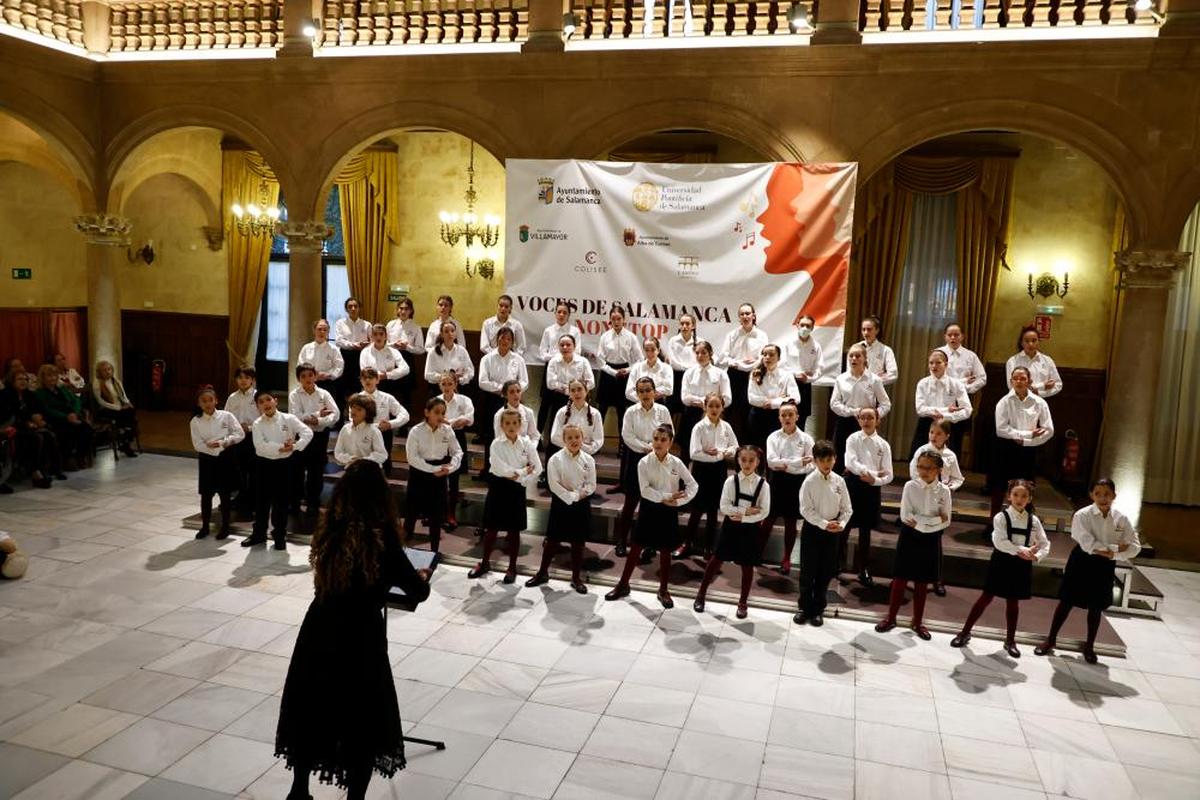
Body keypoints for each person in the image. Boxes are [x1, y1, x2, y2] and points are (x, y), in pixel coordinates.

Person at [276, 459, 432, 800]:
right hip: (360, 636)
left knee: (313, 705)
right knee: (361, 718)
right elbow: (417, 591)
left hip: (319, 627)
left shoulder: (330, 524)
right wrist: (420, 578)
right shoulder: (382, 535)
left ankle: (298, 791)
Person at [1035, 478, 1139, 663]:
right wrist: (1115, 549)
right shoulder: (1082, 515)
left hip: (1105, 564)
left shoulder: (1121, 518)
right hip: (1082, 561)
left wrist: (1114, 554)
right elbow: (1085, 541)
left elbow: (1134, 546)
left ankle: (1089, 646)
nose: (1102, 498)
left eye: (1107, 494)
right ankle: (1050, 640)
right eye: (1098, 493)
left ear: (1114, 495)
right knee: (1066, 601)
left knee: (1096, 607)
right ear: (1091, 495)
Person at [605, 424, 699, 609]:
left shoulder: (676, 463)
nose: (658, 443)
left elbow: (692, 485)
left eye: (663, 440)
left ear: (670, 443)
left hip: (668, 511)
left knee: (665, 551)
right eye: (656, 439)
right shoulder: (644, 462)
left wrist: (679, 502)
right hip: (649, 508)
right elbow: (645, 491)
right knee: (636, 548)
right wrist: (666, 497)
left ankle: (663, 590)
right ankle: (623, 584)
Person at [952, 479, 1048, 657]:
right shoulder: (1000, 517)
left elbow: (1044, 543)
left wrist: (1037, 556)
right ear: (1009, 496)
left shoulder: (1033, 520)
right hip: (1002, 562)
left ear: (1030, 498)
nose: (1020, 499)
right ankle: (964, 632)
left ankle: (1010, 640)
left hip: (1021, 565)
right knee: (985, 597)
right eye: (1016, 495)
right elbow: (999, 542)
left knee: (1013, 602)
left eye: (1024, 496)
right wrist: (1023, 550)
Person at [874, 451, 951, 640]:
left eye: (928, 468)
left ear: (939, 470)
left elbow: (947, 520)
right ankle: (891, 618)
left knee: (922, 583)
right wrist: (932, 521)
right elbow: (906, 516)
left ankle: (917, 622)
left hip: (931, 539)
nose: (923, 471)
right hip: (909, 537)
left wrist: (924, 524)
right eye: (920, 467)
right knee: (900, 579)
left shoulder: (944, 491)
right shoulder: (910, 486)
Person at [693, 445, 770, 619]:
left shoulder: (763, 485)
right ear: (738, 460)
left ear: (758, 462)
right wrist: (746, 511)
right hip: (730, 527)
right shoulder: (730, 481)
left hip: (750, 529)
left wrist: (742, 516)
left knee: (747, 566)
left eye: (751, 460)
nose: (747, 464)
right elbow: (724, 507)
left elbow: (764, 511)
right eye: (743, 460)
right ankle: (701, 595)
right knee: (715, 561)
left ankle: (743, 603)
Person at [470, 408, 542, 583]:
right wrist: (523, 471)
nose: (511, 426)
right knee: (492, 529)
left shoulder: (527, 444)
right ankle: (485, 562)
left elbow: (538, 468)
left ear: (520, 425)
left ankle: (512, 567)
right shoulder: (496, 444)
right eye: (507, 423)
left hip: (517, 489)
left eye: (515, 423)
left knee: (513, 530)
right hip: (498, 487)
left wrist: (521, 478)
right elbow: (500, 469)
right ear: (501, 425)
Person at [528, 423, 596, 593]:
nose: (574, 440)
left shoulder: (589, 460)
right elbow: (554, 484)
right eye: (570, 437)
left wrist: (580, 495)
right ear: (564, 440)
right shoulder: (555, 459)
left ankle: (576, 577)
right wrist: (571, 497)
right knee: (552, 540)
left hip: (581, 504)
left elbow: (591, 484)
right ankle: (542, 572)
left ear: (582, 439)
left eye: (577, 437)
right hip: (561, 503)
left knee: (578, 542)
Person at [794, 440, 852, 626]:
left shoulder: (839, 481)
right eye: (822, 460)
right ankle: (804, 607)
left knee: (825, 571)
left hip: (832, 531)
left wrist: (841, 523)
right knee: (808, 570)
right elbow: (805, 510)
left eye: (830, 459)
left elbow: (847, 509)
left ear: (835, 459)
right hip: (813, 529)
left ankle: (818, 609)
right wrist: (823, 523)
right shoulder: (809, 481)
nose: (826, 463)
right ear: (815, 461)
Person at [613, 378, 673, 557]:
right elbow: (627, 436)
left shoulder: (663, 411)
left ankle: (649, 544)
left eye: (648, 390)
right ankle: (622, 541)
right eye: (641, 391)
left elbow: (670, 433)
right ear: (637, 393)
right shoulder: (631, 412)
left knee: (653, 504)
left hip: (658, 459)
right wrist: (647, 447)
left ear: (654, 391)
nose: (645, 394)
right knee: (630, 502)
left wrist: (657, 448)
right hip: (636, 459)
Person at [249, 390, 313, 550]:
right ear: (258, 406)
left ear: (275, 401)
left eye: (268, 399)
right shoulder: (257, 424)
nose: (266, 404)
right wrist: (281, 447)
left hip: (284, 466)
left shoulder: (289, 418)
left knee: (281, 502)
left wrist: (295, 446)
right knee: (261, 502)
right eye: (261, 402)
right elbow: (260, 447)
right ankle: (259, 534)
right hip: (264, 466)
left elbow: (308, 432)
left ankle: (279, 536)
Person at [679, 392, 738, 560]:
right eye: (710, 406)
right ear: (705, 407)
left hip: (719, 471)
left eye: (717, 406)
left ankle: (709, 547)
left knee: (713, 511)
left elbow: (735, 447)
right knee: (697, 510)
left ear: (722, 408)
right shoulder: (699, 427)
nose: (714, 409)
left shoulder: (726, 427)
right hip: (701, 470)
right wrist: (717, 455)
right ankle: (687, 544)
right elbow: (694, 453)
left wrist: (726, 452)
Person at [990, 366, 1054, 517]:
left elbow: (1049, 430)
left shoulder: (1040, 403)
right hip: (1005, 447)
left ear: (1030, 381)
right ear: (1011, 381)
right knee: (999, 485)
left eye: (1023, 378)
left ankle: (1023, 521)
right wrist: (1026, 434)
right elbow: (1001, 429)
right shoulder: (1004, 402)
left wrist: (1026, 442)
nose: (1018, 381)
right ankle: (993, 522)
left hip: (1030, 449)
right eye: (1015, 378)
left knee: (1026, 486)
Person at [841, 407, 893, 587]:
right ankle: (836, 565)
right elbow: (850, 462)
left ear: (878, 420)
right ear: (858, 420)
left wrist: (874, 480)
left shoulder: (883, 445)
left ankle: (863, 569)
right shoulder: (853, 439)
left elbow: (889, 474)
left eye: (870, 417)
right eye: (862, 417)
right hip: (853, 485)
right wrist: (871, 472)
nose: (866, 421)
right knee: (844, 526)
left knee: (866, 531)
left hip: (871, 488)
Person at [403, 397, 463, 554]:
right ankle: (402, 551)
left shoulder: (447, 430)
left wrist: (450, 468)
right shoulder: (416, 431)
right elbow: (412, 458)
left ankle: (434, 553)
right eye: (437, 412)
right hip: (419, 475)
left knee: (436, 518)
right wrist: (433, 469)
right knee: (411, 516)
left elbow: (458, 452)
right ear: (427, 412)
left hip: (439, 477)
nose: (440, 416)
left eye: (443, 413)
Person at [911, 418, 964, 597]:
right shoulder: (922, 451)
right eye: (932, 432)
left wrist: (948, 488)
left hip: (939, 501)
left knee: (935, 542)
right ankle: (914, 576)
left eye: (939, 433)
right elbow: (913, 473)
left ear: (947, 436)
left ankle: (936, 579)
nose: (934, 436)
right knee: (918, 538)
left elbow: (958, 478)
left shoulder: (950, 456)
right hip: (921, 498)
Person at [763, 401, 814, 575]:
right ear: (779, 417)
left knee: (791, 522)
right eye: (783, 415)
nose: (787, 418)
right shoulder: (773, 437)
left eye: (790, 414)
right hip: (776, 481)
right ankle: (755, 553)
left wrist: (786, 465)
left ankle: (786, 558)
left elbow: (811, 465)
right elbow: (771, 462)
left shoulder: (806, 439)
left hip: (796, 483)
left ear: (797, 417)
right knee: (768, 518)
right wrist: (797, 463)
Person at [595, 306, 641, 488]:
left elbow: (638, 359)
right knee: (601, 411)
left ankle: (623, 448)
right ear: (610, 320)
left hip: (625, 373)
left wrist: (627, 370)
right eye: (613, 318)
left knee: (624, 413)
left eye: (619, 318)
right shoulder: (605, 337)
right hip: (608, 374)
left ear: (624, 319)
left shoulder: (631, 337)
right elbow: (599, 359)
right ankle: (596, 445)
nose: (616, 321)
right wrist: (612, 372)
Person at [190, 387, 244, 540]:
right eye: (204, 401)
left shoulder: (226, 416)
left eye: (210, 400)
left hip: (225, 458)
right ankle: (205, 526)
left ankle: (225, 526)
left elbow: (239, 434)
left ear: (216, 401)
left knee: (225, 495)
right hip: (207, 460)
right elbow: (197, 444)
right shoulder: (196, 421)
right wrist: (211, 449)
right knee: (206, 495)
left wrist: (223, 443)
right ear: (199, 404)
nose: (207, 404)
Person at [829, 343, 890, 473]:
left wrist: (872, 416)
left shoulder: (874, 380)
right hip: (845, 421)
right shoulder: (841, 379)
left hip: (866, 424)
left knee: (865, 458)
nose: (854, 359)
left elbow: (886, 404)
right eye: (851, 356)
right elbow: (834, 403)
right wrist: (853, 412)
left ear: (865, 358)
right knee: (840, 456)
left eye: (857, 356)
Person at [289, 363, 340, 516]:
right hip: (301, 436)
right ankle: (295, 503)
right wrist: (318, 414)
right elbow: (295, 417)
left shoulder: (324, 394)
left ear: (315, 376)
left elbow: (335, 414)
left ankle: (313, 503)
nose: (307, 379)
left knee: (316, 472)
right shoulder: (294, 395)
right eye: (303, 376)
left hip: (319, 437)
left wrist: (318, 422)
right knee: (297, 472)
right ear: (299, 379)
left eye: (310, 375)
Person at [478, 327, 530, 477]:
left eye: (508, 339)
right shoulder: (487, 358)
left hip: (513, 401)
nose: (505, 341)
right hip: (492, 399)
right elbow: (482, 381)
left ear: (512, 342)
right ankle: (490, 468)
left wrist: (513, 392)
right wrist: (502, 389)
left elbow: (524, 381)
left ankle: (511, 467)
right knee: (491, 434)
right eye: (502, 337)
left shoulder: (518, 360)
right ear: (497, 339)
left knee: (512, 434)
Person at [0, 369, 61, 489]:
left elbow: (41, 410)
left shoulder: (29, 394)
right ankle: (35, 473)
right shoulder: (5, 394)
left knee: (47, 435)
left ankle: (50, 470)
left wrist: (40, 419)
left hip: (28, 425)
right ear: (12, 381)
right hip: (9, 426)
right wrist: (28, 421)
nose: (23, 381)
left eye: (25, 379)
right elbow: (8, 415)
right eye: (20, 379)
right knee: (33, 438)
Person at [717, 303, 769, 437]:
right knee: (729, 410)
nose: (745, 316)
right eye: (742, 314)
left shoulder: (762, 335)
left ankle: (746, 445)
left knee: (749, 411)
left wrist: (749, 365)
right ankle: (727, 442)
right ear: (739, 317)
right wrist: (738, 363)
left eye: (747, 313)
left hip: (753, 375)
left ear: (753, 316)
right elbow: (723, 357)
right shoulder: (732, 335)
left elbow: (763, 358)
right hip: (734, 375)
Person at [679, 340, 731, 467]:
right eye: (697, 353)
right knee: (686, 450)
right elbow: (685, 398)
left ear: (711, 353)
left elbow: (727, 398)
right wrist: (703, 401)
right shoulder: (688, 373)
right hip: (692, 413)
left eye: (704, 353)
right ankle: (683, 483)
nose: (700, 356)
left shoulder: (720, 374)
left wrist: (709, 404)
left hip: (714, 415)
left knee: (712, 448)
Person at [911, 349, 971, 458]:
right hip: (927, 424)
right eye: (931, 363)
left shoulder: (956, 384)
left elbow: (967, 410)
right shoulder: (923, 383)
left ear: (946, 364)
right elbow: (920, 409)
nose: (934, 366)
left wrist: (947, 416)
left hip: (949, 425)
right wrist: (946, 410)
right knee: (920, 461)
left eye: (938, 362)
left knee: (947, 463)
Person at [938, 322, 986, 454]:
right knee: (939, 435)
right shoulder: (939, 354)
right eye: (950, 335)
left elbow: (982, 378)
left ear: (962, 337)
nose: (953, 338)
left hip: (962, 401)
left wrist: (966, 389)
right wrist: (963, 383)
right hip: (941, 400)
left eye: (956, 335)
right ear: (945, 337)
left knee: (957, 438)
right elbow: (937, 379)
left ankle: (953, 471)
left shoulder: (970, 356)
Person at [35, 364, 93, 470]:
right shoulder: (40, 393)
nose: (53, 378)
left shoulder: (62, 389)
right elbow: (47, 410)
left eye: (55, 375)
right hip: (56, 419)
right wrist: (66, 417)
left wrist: (74, 413)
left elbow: (76, 400)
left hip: (72, 416)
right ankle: (68, 457)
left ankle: (80, 456)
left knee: (87, 429)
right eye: (49, 376)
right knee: (67, 429)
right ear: (43, 378)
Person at [437, 372, 474, 532]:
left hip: (457, 438)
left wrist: (450, 422)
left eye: (449, 384)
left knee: (454, 479)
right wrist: (453, 422)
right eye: (443, 384)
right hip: (438, 438)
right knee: (438, 477)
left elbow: (469, 418)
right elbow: (433, 418)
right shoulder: (436, 401)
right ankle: (438, 513)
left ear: (455, 384)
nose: (446, 387)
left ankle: (451, 514)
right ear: (439, 385)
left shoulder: (464, 400)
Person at [544, 333, 595, 443]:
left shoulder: (583, 361)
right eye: (562, 345)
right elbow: (550, 383)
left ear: (574, 346)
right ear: (558, 347)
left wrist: (569, 389)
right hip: (559, 399)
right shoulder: (554, 361)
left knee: (579, 428)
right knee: (557, 429)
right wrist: (573, 389)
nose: (565, 347)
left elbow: (591, 382)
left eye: (568, 344)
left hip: (579, 400)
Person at [536, 301, 577, 437]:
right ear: (555, 313)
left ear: (568, 315)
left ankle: (560, 437)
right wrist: (557, 357)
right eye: (559, 312)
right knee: (545, 405)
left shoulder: (574, 331)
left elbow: (578, 351)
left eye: (564, 312)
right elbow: (542, 352)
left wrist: (565, 356)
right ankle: (537, 438)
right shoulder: (549, 330)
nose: (561, 315)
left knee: (563, 406)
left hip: (568, 368)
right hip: (551, 367)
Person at [747, 344, 799, 449]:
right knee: (758, 449)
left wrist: (774, 403)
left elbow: (795, 398)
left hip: (778, 416)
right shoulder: (755, 374)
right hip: (758, 416)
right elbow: (752, 398)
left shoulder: (786, 375)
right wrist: (783, 398)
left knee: (777, 447)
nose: (767, 357)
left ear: (778, 358)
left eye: (771, 355)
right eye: (765, 354)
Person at [357, 367, 407, 474]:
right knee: (364, 464)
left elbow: (405, 415)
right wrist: (374, 426)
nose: (367, 381)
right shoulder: (357, 399)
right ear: (361, 380)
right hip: (363, 434)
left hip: (383, 434)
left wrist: (390, 424)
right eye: (364, 378)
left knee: (384, 464)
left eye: (370, 378)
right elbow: (353, 419)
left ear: (377, 380)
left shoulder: (387, 398)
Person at [226, 365, 259, 514]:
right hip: (237, 438)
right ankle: (240, 496)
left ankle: (252, 499)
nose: (243, 380)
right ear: (236, 380)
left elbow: (263, 419)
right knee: (238, 468)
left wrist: (250, 427)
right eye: (240, 377)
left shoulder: (258, 397)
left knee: (252, 469)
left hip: (253, 437)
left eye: (247, 377)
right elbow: (225, 418)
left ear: (252, 380)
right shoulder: (232, 397)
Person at [783, 315, 824, 433]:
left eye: (808, 326)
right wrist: (796, 374)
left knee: (802, 419)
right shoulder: (788, 343)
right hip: (789, 385)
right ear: (797, 325)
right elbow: (782, 365)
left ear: (812, 328)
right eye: (802, 325)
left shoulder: (816, 346)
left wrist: (809, 378)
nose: (805, 328)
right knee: (786, 416)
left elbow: (820, 368)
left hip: (805, 385)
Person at [385, 297, 424, 416]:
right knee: (390, 392)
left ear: (411, 311)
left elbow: (421, 349)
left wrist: (407, 347)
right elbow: (383, 343)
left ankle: (404, 424)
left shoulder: (416, 327)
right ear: (397, 310)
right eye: (401, 308)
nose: (403, 311)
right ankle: (389, 419)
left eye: (406, 309)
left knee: (406, 393)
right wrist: (394, 344)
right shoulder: (390, 325)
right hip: (391, 359)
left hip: (407, 359)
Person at [92, 359, 139, 457]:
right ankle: (126, 439)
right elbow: (101, 401)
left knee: (131, 411)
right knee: (128, 418)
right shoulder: (97, 383)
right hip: (105, 409)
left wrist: (127, 403)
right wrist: (118, 408)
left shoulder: (116, 381)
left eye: (109, 369)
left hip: (119, 408)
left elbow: (123, 396)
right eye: (104, 370)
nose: (108, 372)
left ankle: (124, 438)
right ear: (99, 372)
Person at [550, 378, 604, 459]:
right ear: (569, 394)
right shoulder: (562, 412)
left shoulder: (595, 414)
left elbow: (598, 440)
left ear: (586, 391)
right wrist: (571, 447)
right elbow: (554, 437)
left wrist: (584, 448)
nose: (576, 393)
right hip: (565, 455)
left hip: (587, 456)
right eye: (572, 390)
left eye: (579, 389)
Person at [334, 296, 372, 408]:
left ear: (359, 308)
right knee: (341, 388)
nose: (353, 308)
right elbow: (338, 341)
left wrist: (364, 345)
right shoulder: (340, 323)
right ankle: (339, 420)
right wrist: (353, 345)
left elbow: (372, 342)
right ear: (346, 309)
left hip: (361, 357)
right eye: (350, 306)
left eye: (355, 306)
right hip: (344, 356)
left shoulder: (367, 325)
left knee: (357, 387)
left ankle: (356, 416)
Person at [1006, 325, 1063, 398]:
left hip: (1042, 401)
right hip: (1019, 401)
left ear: (1038, 341)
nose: (1030, 344)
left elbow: (1058, 384)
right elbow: (1012, 386)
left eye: (1034, 340)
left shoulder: (1047, 360)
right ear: (1022, 343)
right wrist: (1043, 386)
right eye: (1027, 341)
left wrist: (1039, 393)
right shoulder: (1012, 361)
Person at [334, 394, 388, 467]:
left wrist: (362, 461)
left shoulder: (373, 431)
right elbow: (338, 452)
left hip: (370, 470)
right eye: (353, 407)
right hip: (351, 468)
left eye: (359, 409)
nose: (354, 411)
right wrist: (350, 459)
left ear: (368, 413)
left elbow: (382, 455)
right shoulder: (345, 429)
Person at [360, 323, 409, 400]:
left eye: (381, 334)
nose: (378, 337)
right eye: (375, 334)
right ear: (371, 337)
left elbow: (405, 368)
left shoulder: (393, 351)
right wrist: (377, 376)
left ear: (386, 336)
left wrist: (387, 375)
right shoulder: (365, 352)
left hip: (390, 385)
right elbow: (364, 370)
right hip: (371, 385)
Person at [297, 319, 345, 398]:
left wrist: (328, 374)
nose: (322, 332)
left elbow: (339, 367)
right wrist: (311, 375)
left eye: (325, 330)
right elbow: (299, 366)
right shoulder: (306, 348)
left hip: (328, 384)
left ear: (328, 332)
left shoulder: (334, 349)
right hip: (309, 383)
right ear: (314, 330)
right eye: (319, 329)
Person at [423, 320, 474, 391]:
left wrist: (461, 379)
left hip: (458, 387)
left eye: (452, 331)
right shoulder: (433, 352)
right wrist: (444, 377)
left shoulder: (462, 350)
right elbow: (427, 374)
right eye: (446, 331)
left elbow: (470, 371)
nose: (450, 333)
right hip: (438, 388)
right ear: (441, 334)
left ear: (456, 334)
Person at [666, 313, 699, 415]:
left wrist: (689, 370)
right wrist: (689, 368)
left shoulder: (699, 342)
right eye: (682, 323)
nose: (684, 326)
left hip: (692, 379)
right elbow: (673, 362)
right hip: (676, 377)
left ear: (693, 326)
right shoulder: (673, 341)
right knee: (672, 408)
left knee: (688, 410)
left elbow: (700, 362)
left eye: (687, 324)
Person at [625, 337, 673, 407]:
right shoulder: (637, 367)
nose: (650, 353)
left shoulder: (666, 368)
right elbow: (628, 392)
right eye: (647, 350)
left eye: (653, 350)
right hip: (638, 404)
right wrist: (643, 400)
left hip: (659, 404)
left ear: (658, 350)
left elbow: (669, 389)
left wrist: (647, 396)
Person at [857, 315, 898, 386]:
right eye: (863, 329)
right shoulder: (856, 348)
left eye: (869, 329)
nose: (866, 333)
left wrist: (873, 380)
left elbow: (893, 374)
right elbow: (849, 372)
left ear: (877, 330)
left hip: (876, 391)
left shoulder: (886, 350)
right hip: (857, 389)